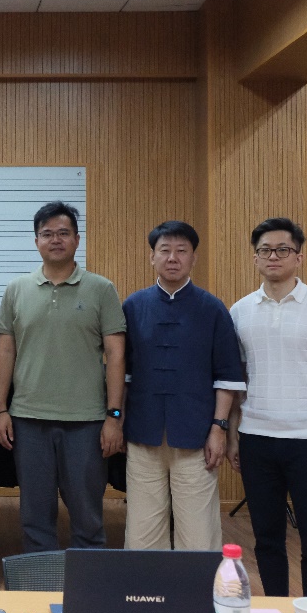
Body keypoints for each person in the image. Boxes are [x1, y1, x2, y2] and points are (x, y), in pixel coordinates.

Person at [227, 217, 307, 598]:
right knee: (267, 540)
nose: (273, 256)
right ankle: (277, 608)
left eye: (283, 250)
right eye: (265, 250)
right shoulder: (240, 311)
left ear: (298, 257)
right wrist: (233, 435)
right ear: (255, 258)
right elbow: (236, 382)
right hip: (256, 439)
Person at [0, 201, 126, 552]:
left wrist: (114, 416)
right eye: (47, 234)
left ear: (77, 240)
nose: (55, 240)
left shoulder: (101, 289)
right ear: (36, 241)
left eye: (63, 233)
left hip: (86, 422)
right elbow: (5, 352)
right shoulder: (16, 289)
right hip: (28, 418)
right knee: (35, 516)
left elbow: (116, 355)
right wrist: (0, 409)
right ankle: (41, 585)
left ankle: (88, 585)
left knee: (87, 516)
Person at [121, 221, 244, 551]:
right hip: (143, 434)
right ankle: (148, 586)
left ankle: (197, 587)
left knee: (198, 535)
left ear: (193, 258)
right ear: (152, 257)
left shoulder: (212, 309)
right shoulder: (133, 306)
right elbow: (124, 374)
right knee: (142, 534)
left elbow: (227, 377)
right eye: (164, 250)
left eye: (181, 251)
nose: (172, 258)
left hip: (196, 436)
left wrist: (219, 428)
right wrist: (118, 420)